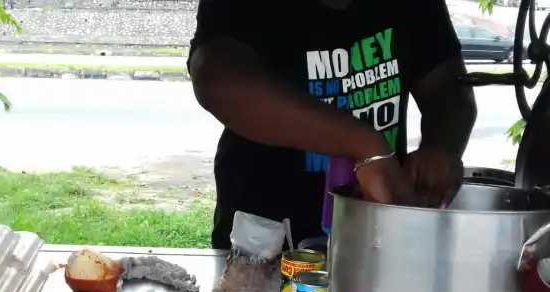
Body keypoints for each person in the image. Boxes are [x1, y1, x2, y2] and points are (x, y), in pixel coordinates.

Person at [188, 0, 477, 249]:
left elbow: (448, 90)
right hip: (264, 250)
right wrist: (364, 145)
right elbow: (216, 80)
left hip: (377, 242)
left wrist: (440, 148)